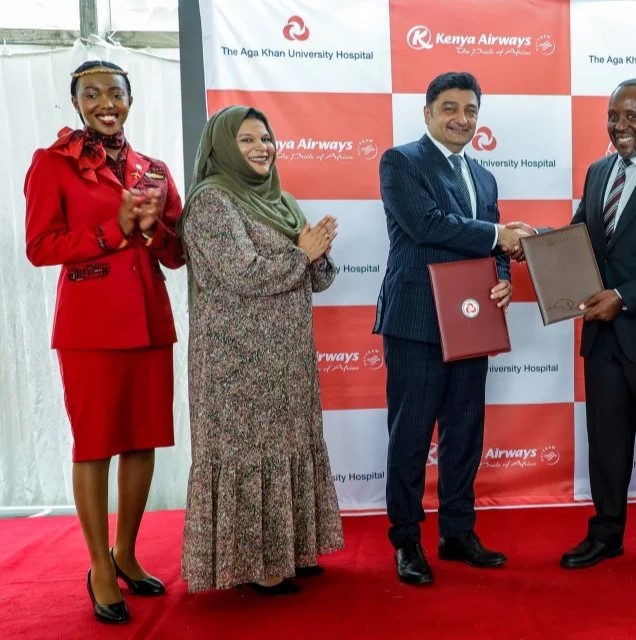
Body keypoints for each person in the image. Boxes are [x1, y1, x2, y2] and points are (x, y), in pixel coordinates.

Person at [514, 78, 636, 574]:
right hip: (603, 338)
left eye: (632, 116)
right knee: (606, 443)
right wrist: (534, 241)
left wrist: (621, 297)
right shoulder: (600, 171)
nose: (620, 125)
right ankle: (606, 534)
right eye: (613, 116)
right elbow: (580, 235)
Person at [23, 60, 184, 624]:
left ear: (131, 101)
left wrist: (152, 230)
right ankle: (97, 566)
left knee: (141, 442)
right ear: (77, 103)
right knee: (94, 445)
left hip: (148, 321)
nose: (104, 102)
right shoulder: (52, 163)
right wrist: (113, 231)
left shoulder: (154, 170)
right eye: (91, 94)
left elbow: (177, 252)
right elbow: (40, 246)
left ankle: (126, 554)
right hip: (89, 330)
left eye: (114, 93)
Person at [178, 105, 344, 594]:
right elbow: (243, 273)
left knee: (289, 447)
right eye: (247, 140)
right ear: (224, 145)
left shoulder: (282, 201)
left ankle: (292, 548)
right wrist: (302, 253)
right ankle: (257, 563)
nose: (260, 148)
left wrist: (318, 255)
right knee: (249, 452)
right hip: (236, 359)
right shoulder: (212, 202)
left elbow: (318, 278)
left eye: (266, 138)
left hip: (287, 356)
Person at [375, 71, 527, 586]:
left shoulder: (484, 177)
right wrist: (498, 236)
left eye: (470, 110)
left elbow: (497, 247)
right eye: (450, 108)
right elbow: (428, 225)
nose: (461, 119)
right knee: (411, 435)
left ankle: (458, 532)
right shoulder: (401, 162)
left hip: (471, 322)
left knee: (465, 434)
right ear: (428, 113)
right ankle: (407, 540)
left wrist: (504, 278)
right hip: (417, 323)